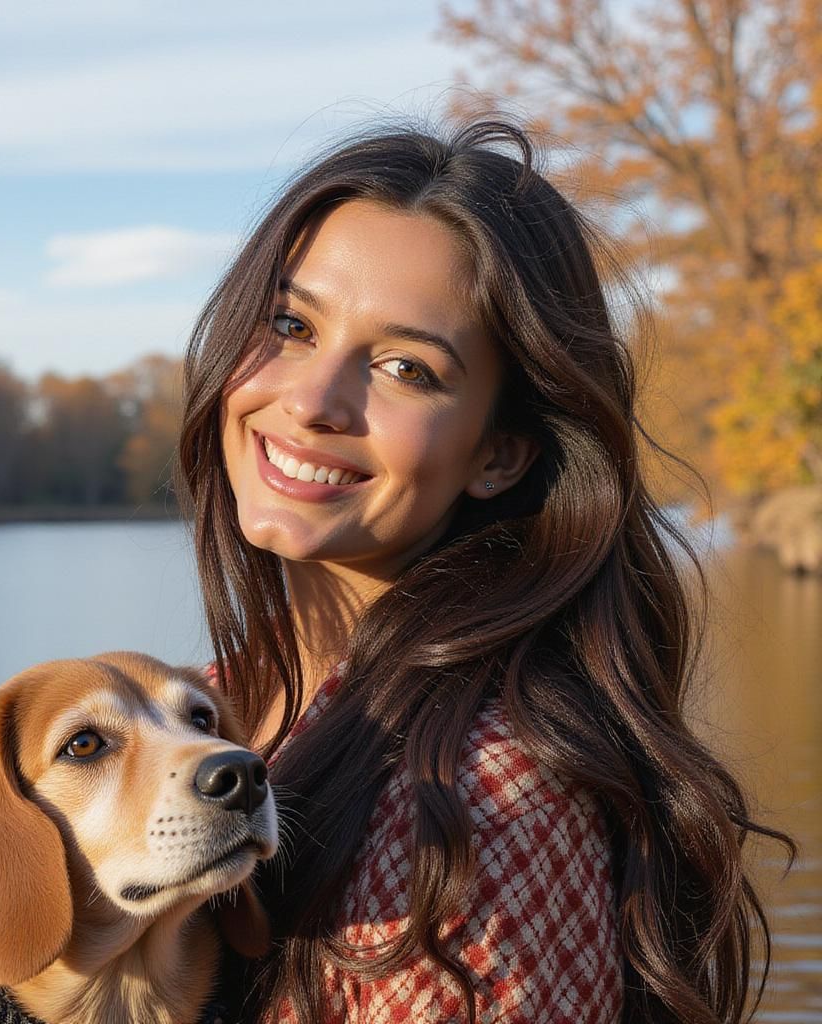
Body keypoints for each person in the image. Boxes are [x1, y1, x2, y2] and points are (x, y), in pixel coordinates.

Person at [174, 120, 790, 1024]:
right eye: (290, 325)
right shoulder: (197, 709)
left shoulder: (478, 804)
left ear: (498, 454)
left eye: (405, 368)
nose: (311, 401)